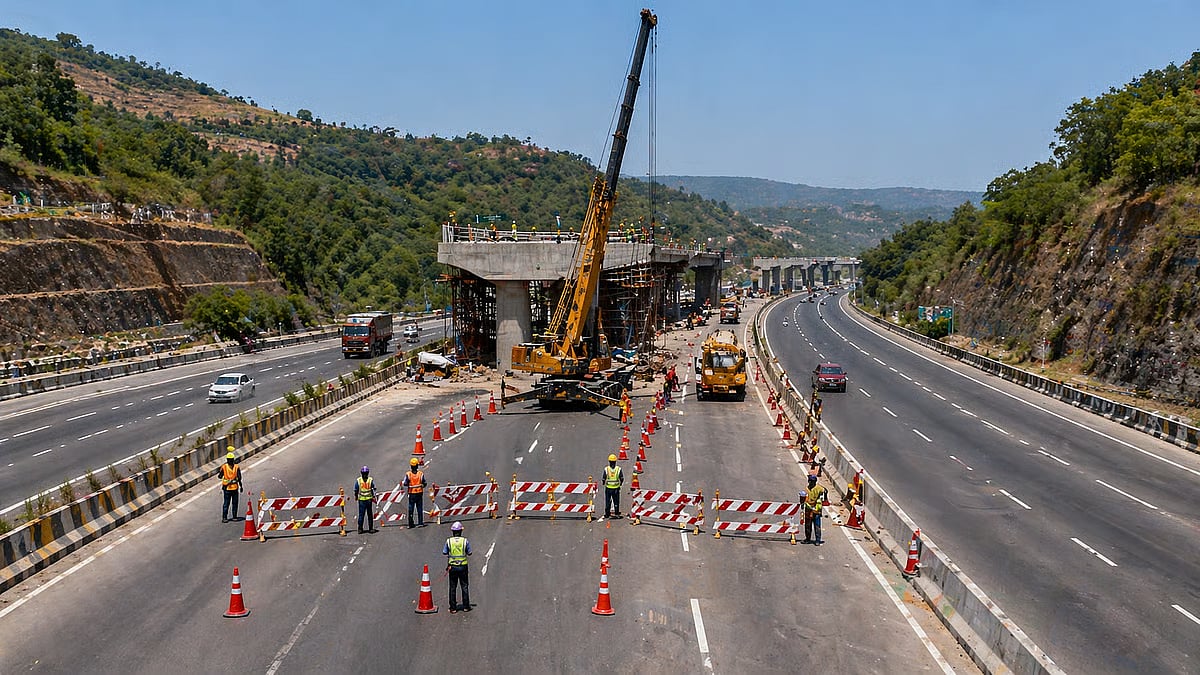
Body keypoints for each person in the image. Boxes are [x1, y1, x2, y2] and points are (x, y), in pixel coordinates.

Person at [443, 521, 473, 612]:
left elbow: (444, 552)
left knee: (452, 587)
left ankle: (453, 608)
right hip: (463, 566)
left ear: (453, 532)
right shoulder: (465, 541)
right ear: (461, 532)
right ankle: (466, 606)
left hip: (452, 567)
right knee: (464, 586)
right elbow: (470, 552)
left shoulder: (449, 541)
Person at [802, 475, 827, 545]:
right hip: (808, 509)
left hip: (816, 510)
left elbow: (825, 492)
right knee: (807, 525)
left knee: (817, 526)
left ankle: (817, 540)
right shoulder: (807, 489)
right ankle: (808, 539)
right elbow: (805, 499)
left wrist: (821, 501)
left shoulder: (819, 489)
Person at [220, 448, 243, 523]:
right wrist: (241, 486)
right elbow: (239, 478)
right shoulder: (236, 467)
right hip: (233, 488)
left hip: (227, 488)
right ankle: (234, 517)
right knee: (234, 503)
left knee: (226, 503)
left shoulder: (224, 467)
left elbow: (219, 476)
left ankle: (224, 517)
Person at [406, 457, 427, 528]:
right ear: (417, 466)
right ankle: (420, 522)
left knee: (411, 508)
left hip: (411, 493)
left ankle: (410, 523)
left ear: (411, 466)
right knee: (419, 508)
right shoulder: (420, 474)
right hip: (419, 493)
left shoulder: (408, 474)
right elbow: (424, 483)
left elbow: (405, 483)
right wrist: (421, 485)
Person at [356, 466, 378, 534]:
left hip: (362, 500)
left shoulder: (359, 480)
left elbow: (356, 489)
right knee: (369, 515)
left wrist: (356, 496)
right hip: (368, 499)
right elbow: (373, 488)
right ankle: (370, 528)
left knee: (361, 515)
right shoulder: (370, 480)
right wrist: (374, 496)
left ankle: (360, 529)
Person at [603, 453, 624, 518]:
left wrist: (604, 483)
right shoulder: (618, 469)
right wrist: (620, 484)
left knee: (608, 501)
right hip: (616, 488)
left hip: (608, 488)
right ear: (615, 462)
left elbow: (603, 478)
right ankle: (616, 513)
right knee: (616, 501)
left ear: (609, 461)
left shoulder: (606, 469)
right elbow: (622, 478)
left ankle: (607, 514)